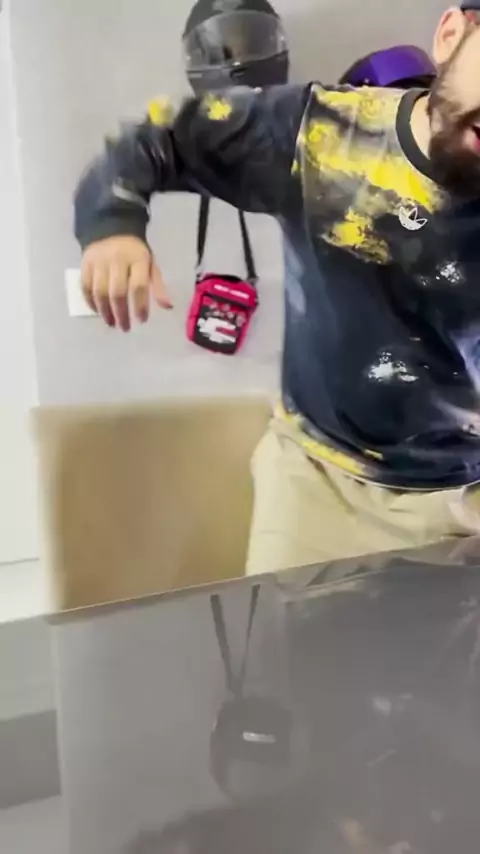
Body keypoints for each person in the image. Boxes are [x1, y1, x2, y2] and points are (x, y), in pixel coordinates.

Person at [75, 4, 480, 576]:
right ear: (452, 35)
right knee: (286, 636)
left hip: (465, 497)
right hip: (317, 485)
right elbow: (154, 136)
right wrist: (113, 224)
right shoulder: (319, 132)